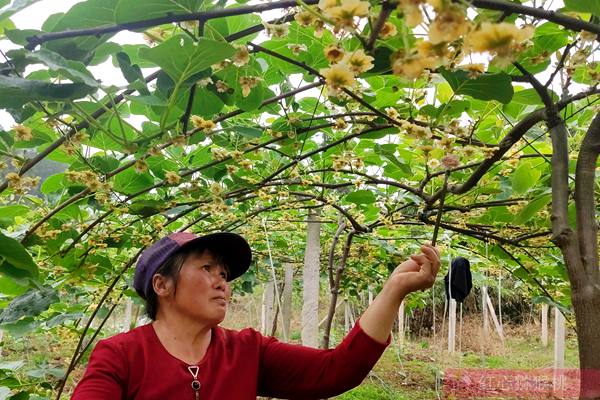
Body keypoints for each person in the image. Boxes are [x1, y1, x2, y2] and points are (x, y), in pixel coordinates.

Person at [72, 231, 440, 399]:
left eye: (224, 274)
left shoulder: (247, 350)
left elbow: (336, 371)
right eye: (207, 269)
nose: (222, 282)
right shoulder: (120, 355)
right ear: (162, 286)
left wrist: (393, 290)